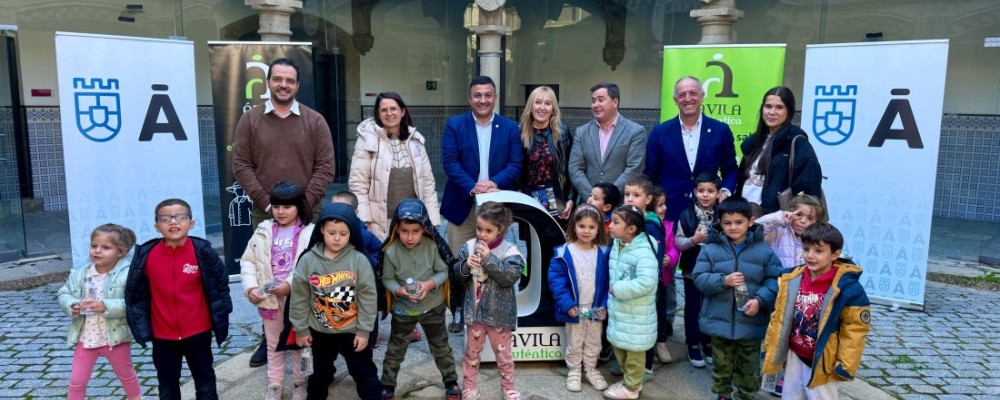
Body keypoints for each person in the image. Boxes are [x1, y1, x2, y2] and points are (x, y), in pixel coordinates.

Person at [233, 57, 336, 367]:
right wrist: (269, 204)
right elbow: (241, 165)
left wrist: (302, 206)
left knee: (309, 276)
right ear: (269, 82)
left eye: (289, 80)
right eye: (278, 79)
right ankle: (272, 338)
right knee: (269, 276)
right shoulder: (250, 121)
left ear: (297, 85)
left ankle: (314, 335)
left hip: (308, 216)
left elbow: (326, 166)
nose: (283, 85)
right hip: (266, 215)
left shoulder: (315, 120)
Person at [125, 199, 232, 400]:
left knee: (205, 382)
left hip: (198, 331)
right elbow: (135, 292)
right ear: (157, 226)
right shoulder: (147, 255)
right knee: (167, 385)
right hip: (162, 334)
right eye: (166, 219)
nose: (173, 222)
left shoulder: (202, 251)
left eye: (180, 217)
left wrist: (222, 312)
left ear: (191, 223)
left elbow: (220, 284)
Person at [441, 75, 522, 332]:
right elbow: (450, 162)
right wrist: (473, 186)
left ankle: (491, 310)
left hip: (496, 208)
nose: (483, 100)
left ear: (495, 98)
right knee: (459, 260)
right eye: (478, 95)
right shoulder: (455, 125)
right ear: (469, 98)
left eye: (488, 95)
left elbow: (515, 165)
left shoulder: (510, 127)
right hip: (462, 204)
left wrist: (494, 182)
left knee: (495, 259)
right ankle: (456, 311)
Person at [762, 223, 871, 400]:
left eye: (819, 251)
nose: (810, 256)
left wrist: (845, 364)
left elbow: (855, 330)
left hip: (823, 361)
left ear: (835, 254)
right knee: (791, 396)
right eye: (806, 249)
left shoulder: (848, 289)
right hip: (794, 354)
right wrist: (771, 346)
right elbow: (778, 317)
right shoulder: (791, 278)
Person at [692, 196, 782, 400]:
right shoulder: (710, 249)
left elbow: (776, 280)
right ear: (720, 223)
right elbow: (698, 277)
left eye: (739, 222)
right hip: (718, 321)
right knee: (721, 365)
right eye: (727, 223)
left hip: (750, 323)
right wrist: (723, 281)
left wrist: (760, 300)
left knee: (748, 368)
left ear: (750, 221)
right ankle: (722, 395)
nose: (733, 227)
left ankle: (746, 395)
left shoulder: (763, 251)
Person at [290, 203, 382, 400]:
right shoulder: (307, 260)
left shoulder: (359, 260)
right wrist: (301, 329)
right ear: (321, 229)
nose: (337, 238)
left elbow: (368, 298)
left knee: (365, 374)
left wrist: (365, 331)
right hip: (319, 333)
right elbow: (298, 297)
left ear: (352, 233)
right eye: (332, 232)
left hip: (352, 331)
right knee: (317, 377)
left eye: (343, 233)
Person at [378, 199, 461, 400]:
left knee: (441, 347)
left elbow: (443, 272)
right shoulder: (390, 251)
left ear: (424, 228)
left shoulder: (433, 247)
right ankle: (388, 385)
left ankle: (451, 381)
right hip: (402, 311)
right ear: (396, 229)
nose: (410, 237)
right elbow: (387, 278)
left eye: (416, 231)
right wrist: (398, 291)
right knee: (395, 350)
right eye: (404, 231)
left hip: (432, 308)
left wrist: (429, 285)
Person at [239, 181, 315, 400]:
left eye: (287, 206)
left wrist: (290, 284)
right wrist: (251, 287)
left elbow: (310, 264)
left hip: (299, 300)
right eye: (276, 206)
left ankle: (302, 383)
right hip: (270, 299)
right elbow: (248, 261)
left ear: (299, 206)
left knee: (303, 343)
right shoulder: (263, 231)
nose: (280, 211)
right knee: (273, 344)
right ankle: (275, 384)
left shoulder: (309, 232)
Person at [58, 224, 141, 400]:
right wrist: (73, 305)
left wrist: (106, 306)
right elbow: (64, 292)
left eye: (105, 247)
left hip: (114, 337)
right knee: (76, 380)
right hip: (85, 337)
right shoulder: (81, 273)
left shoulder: (128, 275)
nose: (97, 251)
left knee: (126, 375)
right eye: (94, 246)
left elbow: (137, 304)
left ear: (121, 252)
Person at [453, 201, 525, 400]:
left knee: (504, 356)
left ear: (500, 230)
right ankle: (469, 386)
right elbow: (456, 275)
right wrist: (465, 267)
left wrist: (488, 259)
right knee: (471, 354)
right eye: (478, 228)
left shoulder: (511, 251)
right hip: (475, 313)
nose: (482, 234)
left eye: (488, 230)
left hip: (499, 314)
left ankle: (508, 387)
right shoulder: (468, 247)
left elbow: (509, 278)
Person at [755, 194, 826, 394]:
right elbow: (756, 229)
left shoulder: (816, 241)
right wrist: (780, 217)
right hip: (777, 294)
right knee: (773, 336)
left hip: (802, 299)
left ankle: (787, 379)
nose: (803, 221)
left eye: (810, 218)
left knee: (794, 338)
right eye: (799, 215)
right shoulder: (778, 232)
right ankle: (767, 372)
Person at [645, 76, 739, 222]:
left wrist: (725, 193)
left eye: (693, 93)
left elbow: (731, 169)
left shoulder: (720, 130)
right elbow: (651, 175)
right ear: (676, 100)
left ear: (702, 96)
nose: (688, 99)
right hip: (669, 212)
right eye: (682, 95)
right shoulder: (660, 132)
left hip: (710, 214)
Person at [349, 92, 441, 241]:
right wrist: (364, 221)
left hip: (412, 224)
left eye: (393, 109)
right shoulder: (367, 140)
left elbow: (428, 184)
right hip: (379, 223)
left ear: (402, 111)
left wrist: (433, 222)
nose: (389, 113)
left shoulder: (416, 141)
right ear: (378, 114)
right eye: (384, 110)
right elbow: (358, 184)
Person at [548, 204, 610, 392]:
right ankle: (574, 370)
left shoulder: (603, 253)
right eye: (582, 226)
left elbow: (609, 283)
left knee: (594, 342)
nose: (586, 231)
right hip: (574, 309)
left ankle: (590, 369)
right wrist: (566, 304)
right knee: (574, 342)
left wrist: (605, 305)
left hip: (595, 310)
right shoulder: (564, 253)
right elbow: (556, 281)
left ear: (598, 228)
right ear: (573, 226)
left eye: (591, 227)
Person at [619, 174, 675, 379]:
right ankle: (627, 360)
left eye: (636, 195)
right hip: (628, 281)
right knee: (630, 321)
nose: (630, 199)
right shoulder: (625, 219)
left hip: (648, 283)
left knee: (645, 324)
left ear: (648, 199)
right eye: (627, 194)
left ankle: (647, 365)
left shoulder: (650, 223)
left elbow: (653, 257)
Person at [734, 86, 823, 215]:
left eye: (779, 107)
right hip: (744, 217)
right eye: (768, 106)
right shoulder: (753, 143)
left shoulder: (797, 142)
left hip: (777, 221)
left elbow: (809, 187)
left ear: (789, 112)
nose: (772, 112)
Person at [603, 205, 658, 400]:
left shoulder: (643, 252)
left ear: (631, 229)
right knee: (621, 346)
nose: (610, 225)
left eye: (616, 222)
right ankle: (630, 379)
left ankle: (632, 388)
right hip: (622, 310)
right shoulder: (620, 244)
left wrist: (617, 289)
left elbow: (647, 282)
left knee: (634, 353)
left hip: (637, 313)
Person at [674, 171, 723, 368]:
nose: (705, 195)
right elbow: (678, 243)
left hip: (715, 271)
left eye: (710, 191)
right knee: (693, 308)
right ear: (694, 192)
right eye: (701, 190)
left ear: (718, 193)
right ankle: (692, 343)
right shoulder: (686, 215)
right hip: (691, 270)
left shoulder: (723, 215)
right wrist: (694, 240)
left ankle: (708, 341)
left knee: (710, 308)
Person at [568, 82, 647, 199]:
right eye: (593, 100)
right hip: (588, 205)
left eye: (601, 100)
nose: (595, 105)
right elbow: (575, 169)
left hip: (620, 208)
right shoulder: (582, 132)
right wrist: (593, 198)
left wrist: (608, 196)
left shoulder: (635, 131)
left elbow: (634, 169)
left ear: (615, 102)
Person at [518, 85, 575, 219]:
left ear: (553, 109)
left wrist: (570, 198)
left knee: (553, 238)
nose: (542, 108)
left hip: (555, 196)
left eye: (548, 103)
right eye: (538, 102)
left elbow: (571, 169)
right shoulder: (519, 132)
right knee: (529, 238)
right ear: (531, 106)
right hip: (527, 196)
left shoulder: (562, 133)